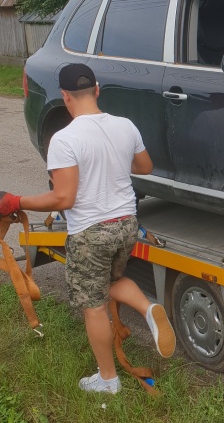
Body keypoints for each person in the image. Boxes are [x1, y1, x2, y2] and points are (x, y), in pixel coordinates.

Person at [0, 62, 175, 394]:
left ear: (65, 97)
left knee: (93, 305)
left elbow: (63, 197)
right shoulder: (125, 125)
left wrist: (16, 201)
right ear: (97, 90)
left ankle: (108, 380)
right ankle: (147, 308)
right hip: (126, 225)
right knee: (110, 281)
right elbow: (145, 166)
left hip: (90, 233)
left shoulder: (65, 139)